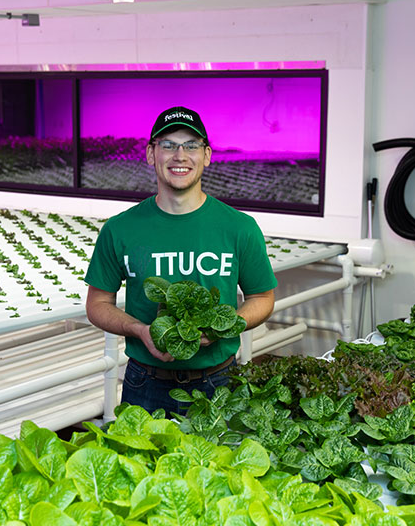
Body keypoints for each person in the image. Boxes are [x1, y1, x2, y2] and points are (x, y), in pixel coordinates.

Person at [84, 106, 277, 415]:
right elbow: (97, 304)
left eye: (191, 145)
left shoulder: (239, 228)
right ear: (151, 154)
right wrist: (141, 331)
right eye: (168, 145)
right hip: (145, 384)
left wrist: (223, 327)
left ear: (207, 155)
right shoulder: (119, 229)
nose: (180, 155)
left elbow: (262, 297)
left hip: (220, 382)